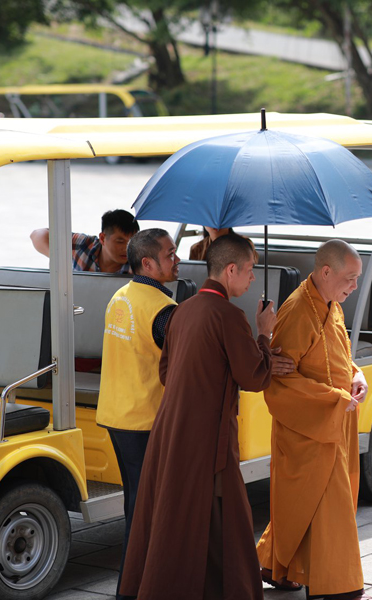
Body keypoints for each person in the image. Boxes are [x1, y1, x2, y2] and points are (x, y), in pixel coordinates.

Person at [120, 234, 294, 600]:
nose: (252, 279)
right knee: (226, 514)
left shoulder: (183, 309)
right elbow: (253, 377)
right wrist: (264, 333)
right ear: (231, 270)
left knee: (182, 511)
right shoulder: (229, 316)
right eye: (249, 271)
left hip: (172, 427)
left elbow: (168, 372)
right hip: (206, 435)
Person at [256, 239, 372, 600]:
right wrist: (334, 399)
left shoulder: (329, 302)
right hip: (309, 425)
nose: (354, 286)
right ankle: (341, 589)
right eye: (350, 278)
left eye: (357, 279)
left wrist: (356, 375)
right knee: (329, 506)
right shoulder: (296, 310)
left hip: (335, 418)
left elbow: (339, 354)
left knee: (305, 505)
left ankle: (273, 563)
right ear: (326, 272)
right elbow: (281, 379)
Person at [95, 228, 179, 599]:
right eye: (170, 254)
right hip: (145, 419)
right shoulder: (163, 310)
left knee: (137, 505)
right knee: (149, 513)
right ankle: (133, 590)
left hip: (116, 414)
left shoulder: (120, 296)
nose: (176, 259)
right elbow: (183, 363)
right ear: (148, 263)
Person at [30, 209, 139, 273]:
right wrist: (56, 257)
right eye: (120, 241)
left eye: (132, 241)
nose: (127, 247)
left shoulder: (140, 263)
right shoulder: (83, 245)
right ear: (102, 238)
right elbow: (37, 234)